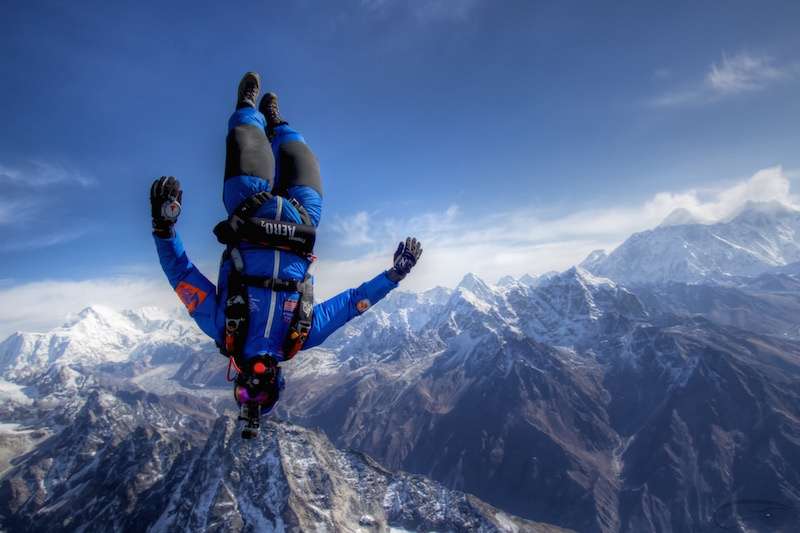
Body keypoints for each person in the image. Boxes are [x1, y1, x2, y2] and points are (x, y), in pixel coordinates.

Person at [150, 72, 422, 438]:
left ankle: (250, 106)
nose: (255, 385)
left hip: (248, 207)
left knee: (245, 134)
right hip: (302, 219)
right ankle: (276, 121)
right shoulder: (301, 336)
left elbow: (181, 276)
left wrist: (164, 229)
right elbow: (354, 303)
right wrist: (394, 276)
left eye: (246, 391)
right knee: (299, 152)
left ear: (236, 382)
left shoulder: (223, 327)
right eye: (261, 392)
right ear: (278, 384)